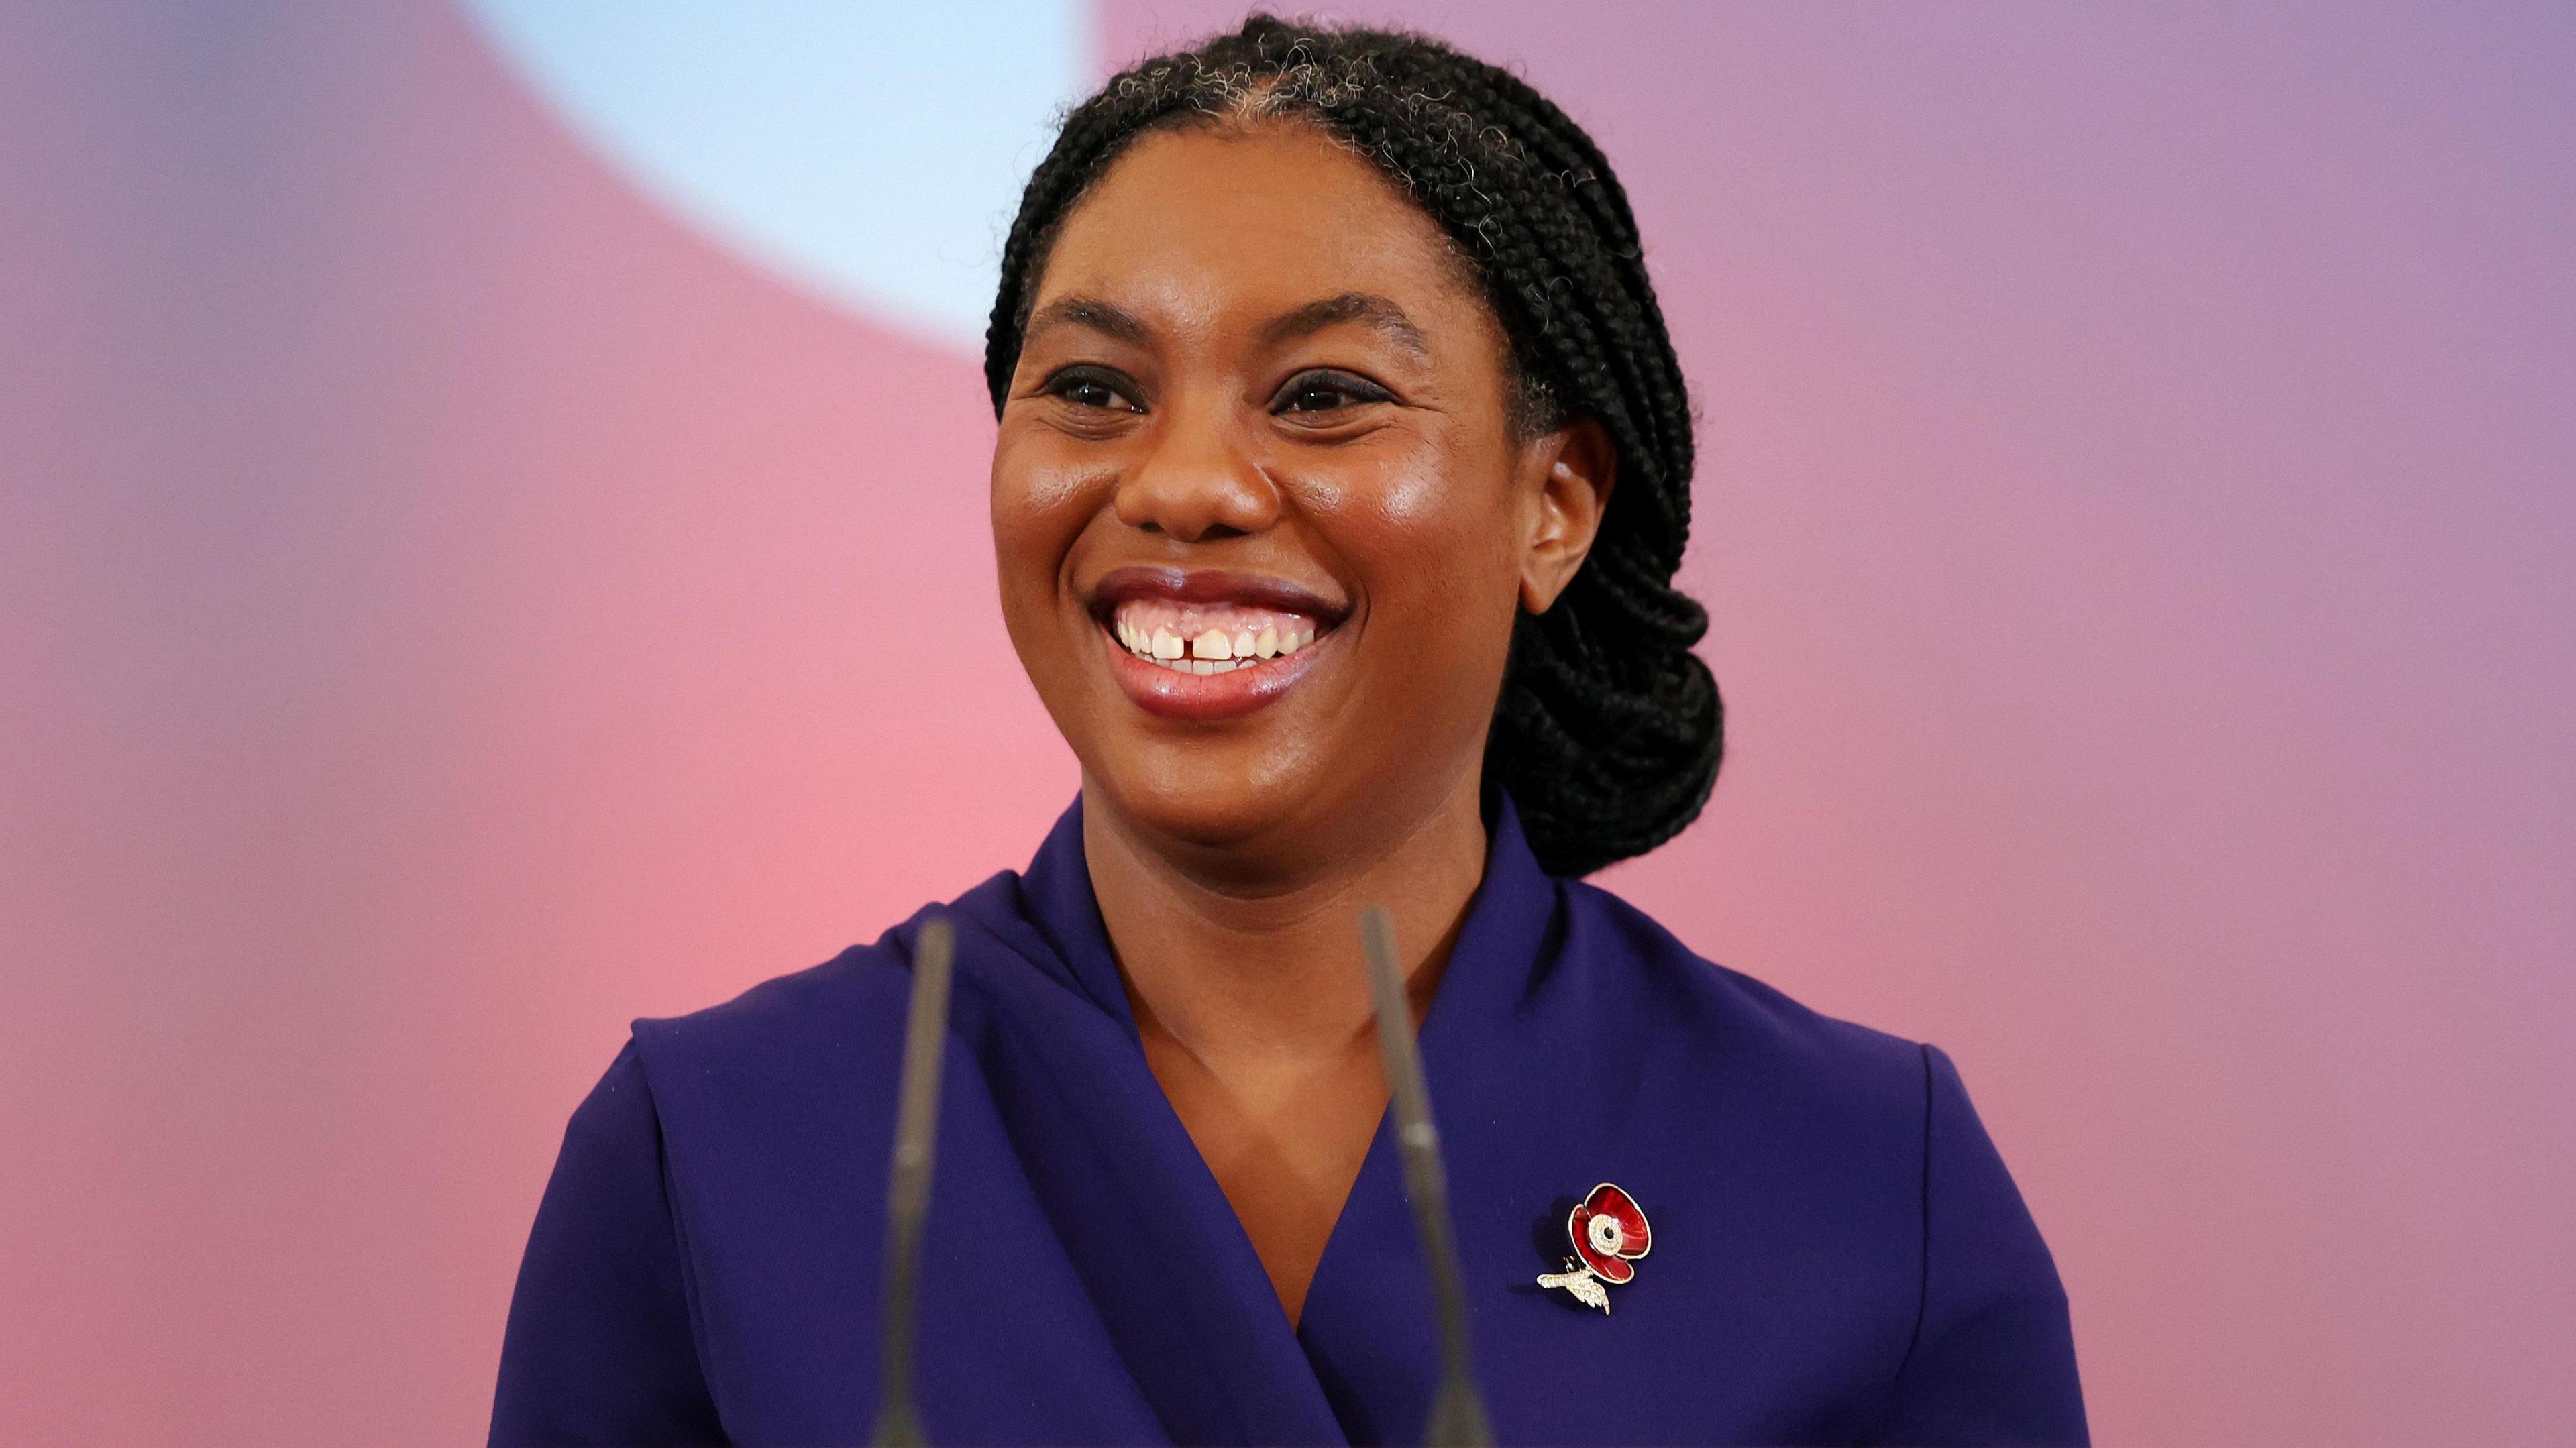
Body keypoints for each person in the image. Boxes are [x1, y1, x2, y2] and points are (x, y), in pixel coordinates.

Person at [490, 17, 2085, 1446]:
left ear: (1556, 507)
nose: (1181, 482)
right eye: (1096, 391)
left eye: (1323, 395)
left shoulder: (1866, 1176)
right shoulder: (714, 1150)